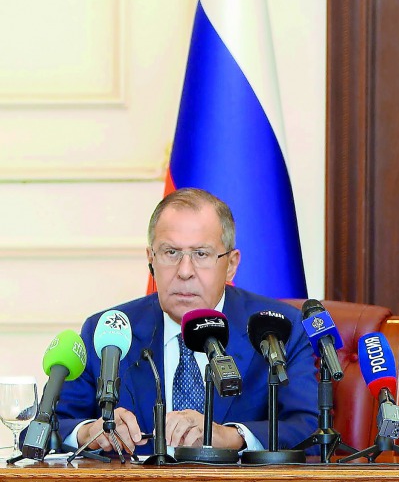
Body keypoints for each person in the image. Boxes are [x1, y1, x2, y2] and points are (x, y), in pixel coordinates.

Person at [54, 188, 318, 455]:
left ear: (231, 264)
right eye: (171, 252)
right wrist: (89, 431)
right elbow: (50, 426)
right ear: (151, 259)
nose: (184, 271)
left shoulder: (279, 330)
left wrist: (231, 436)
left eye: (201, 254)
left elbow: (309, 426)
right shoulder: (109, 331)